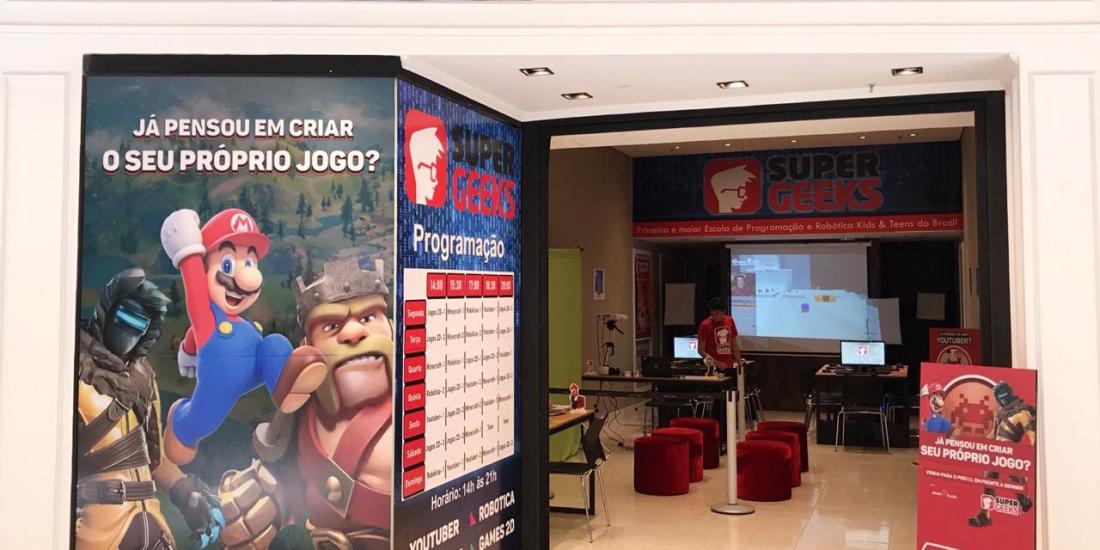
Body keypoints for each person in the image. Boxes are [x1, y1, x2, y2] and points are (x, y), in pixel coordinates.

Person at [217, 254, 394, 550]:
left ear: (391, 328)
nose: (353, 333)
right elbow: (284, 486)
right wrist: (262, 505)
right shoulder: (300, 419)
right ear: (308, 348)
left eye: (367, 318)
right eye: (331, 326)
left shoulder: (417, 410)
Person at [160, 208, 328, 465]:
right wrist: (188, 254)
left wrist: (188, 350)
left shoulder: (241, 322)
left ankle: (285, 388)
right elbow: (195, 294)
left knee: (275, 343)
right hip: (220, 384)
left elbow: (193, 334)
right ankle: (181, 423)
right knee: (202, 422)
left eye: (250, 263)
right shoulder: (207, 317)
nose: (248, 278)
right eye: (227, 265)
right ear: (203, 270)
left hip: (253, 368)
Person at [75, 268, 223, 549]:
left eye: (138, 323)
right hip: (96, 530)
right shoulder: (73, 369)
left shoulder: (142, 377)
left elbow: (154, 459)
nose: (128, 330)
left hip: (150, 521)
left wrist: (185, 492)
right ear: (108, 310)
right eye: (123, 317)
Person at [697, 297, 741, 371]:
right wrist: (717, 363)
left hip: (729, 366)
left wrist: (740, 364)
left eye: (717, 313)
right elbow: (701, 350)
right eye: (712, 314)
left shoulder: (730, 320)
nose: (714, 316)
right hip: (712, 368)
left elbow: (734, 345)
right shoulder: (705, 325)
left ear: (723, 312)